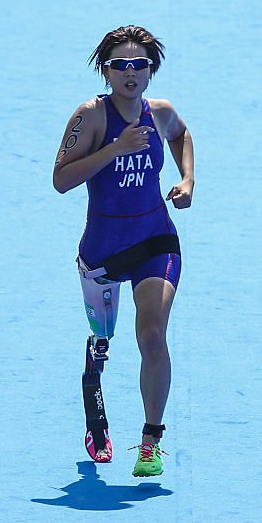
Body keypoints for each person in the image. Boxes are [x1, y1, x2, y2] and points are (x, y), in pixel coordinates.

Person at [53, 25, 194, 477]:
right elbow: (61, 180)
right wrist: (115, 148)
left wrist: (187, 178)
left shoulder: (160, 112)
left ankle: (151, 440)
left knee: (152, 334)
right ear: (106, 71)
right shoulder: (91, 117)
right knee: (106, 336)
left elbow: (181, 135)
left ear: (151, 70)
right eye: (120, 66)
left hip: (156, 240)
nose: (130, 73)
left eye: (139, 65)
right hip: (103, 252)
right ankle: (93, 365)